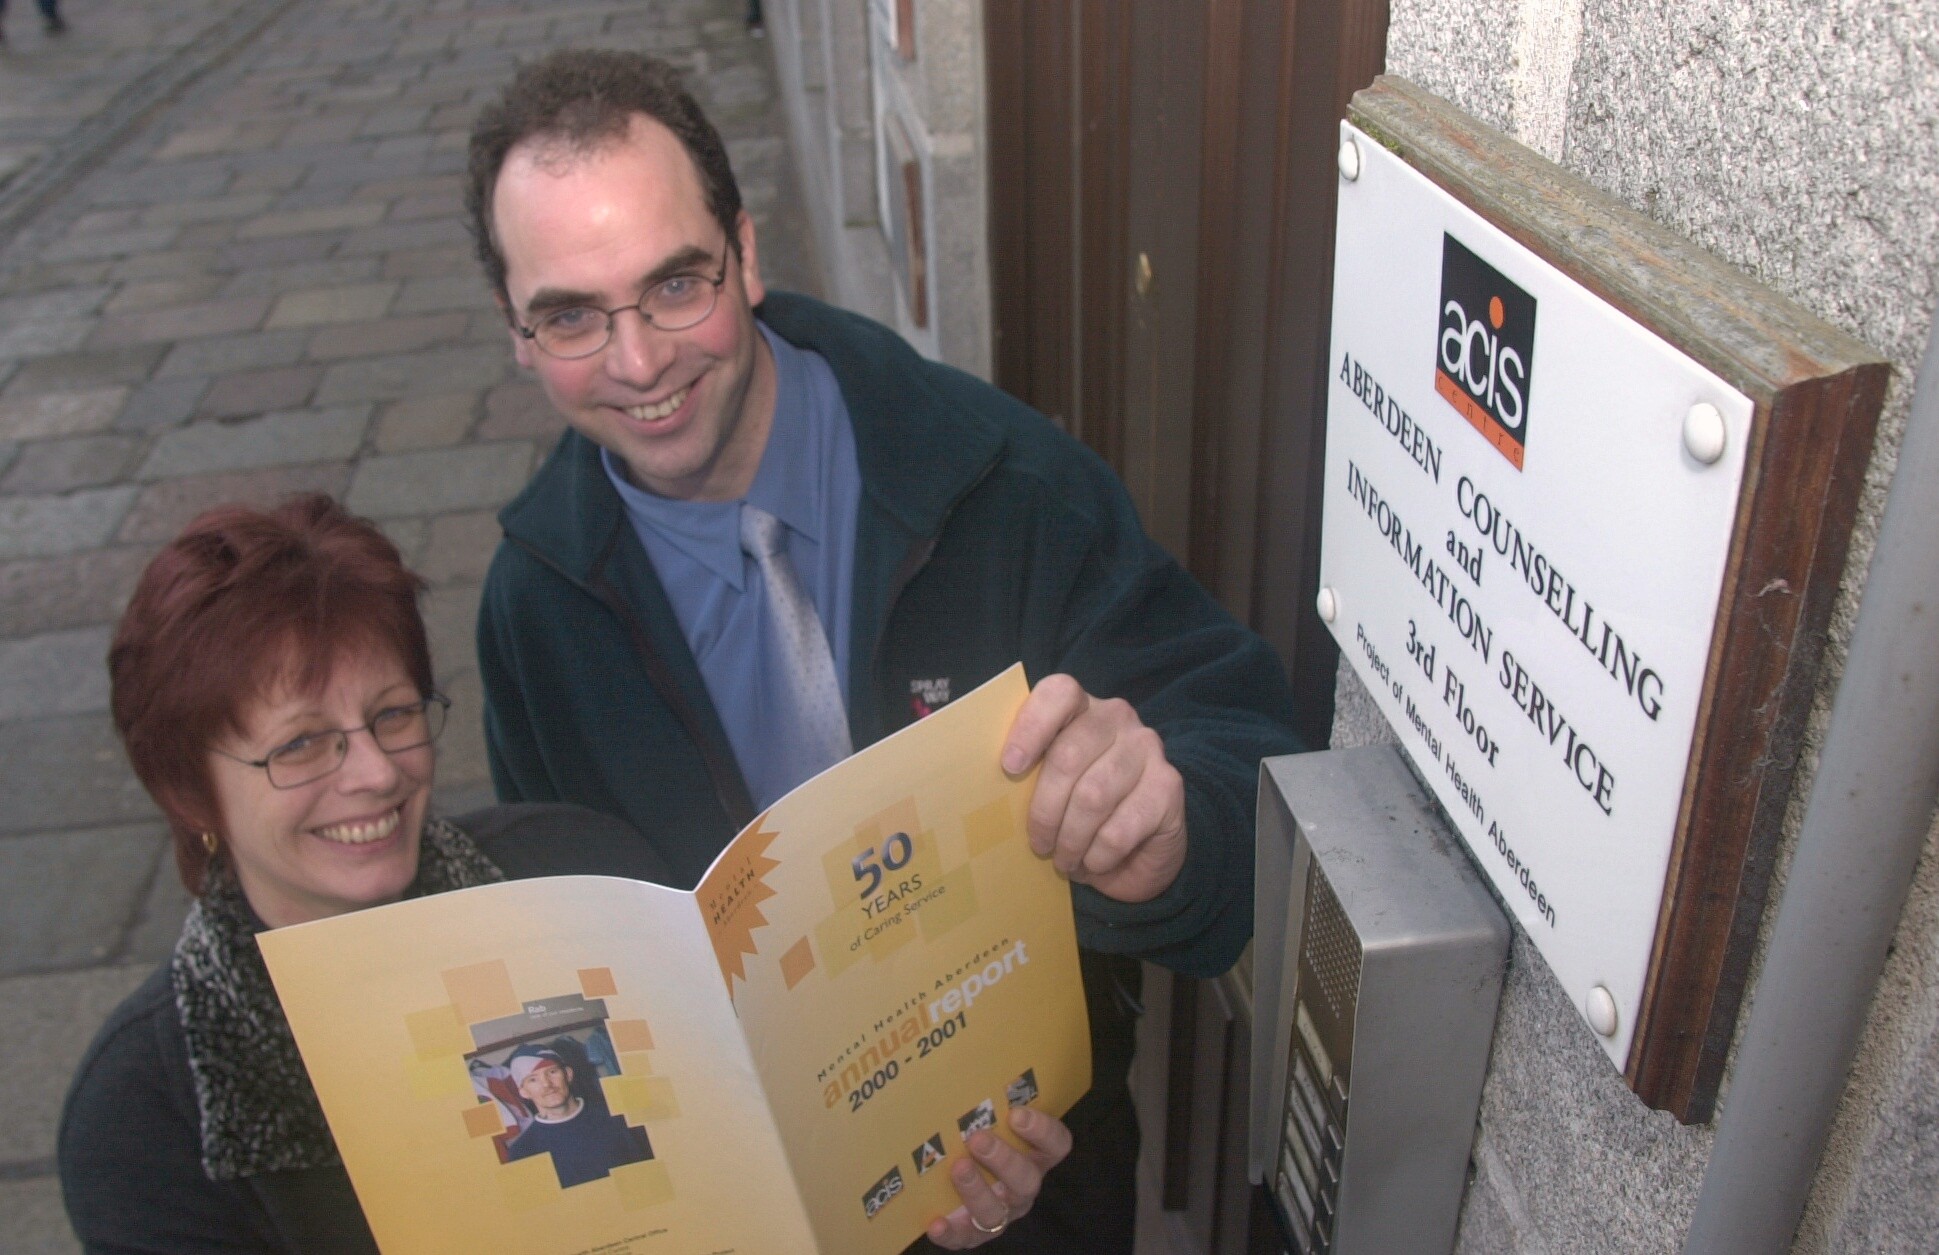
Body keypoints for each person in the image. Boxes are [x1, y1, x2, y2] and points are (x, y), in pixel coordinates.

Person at [465, 51, 1304, 1253]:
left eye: (675, 285)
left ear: (747, 258)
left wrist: (1173, 829)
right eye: (569, 316)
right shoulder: (529, 612)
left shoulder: (1003, 484)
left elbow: (1253, 752)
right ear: (514, 332)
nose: (639, 362)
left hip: (1041, 1188)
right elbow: (566, 951)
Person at [58, 495, 1069, 1253]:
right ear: (189, 793)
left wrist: (923, 1198)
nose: (373, 772)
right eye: (302, 744)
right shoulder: (146, 1114)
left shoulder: (581, 865)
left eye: (393, 715)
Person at [501, 1045, 653, 1188]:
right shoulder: (523, 1152)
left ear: (568, 1074)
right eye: (533, 1079)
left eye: (552, 1072)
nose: (547, 1084)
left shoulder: (619, 1116)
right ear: (523, 1091)